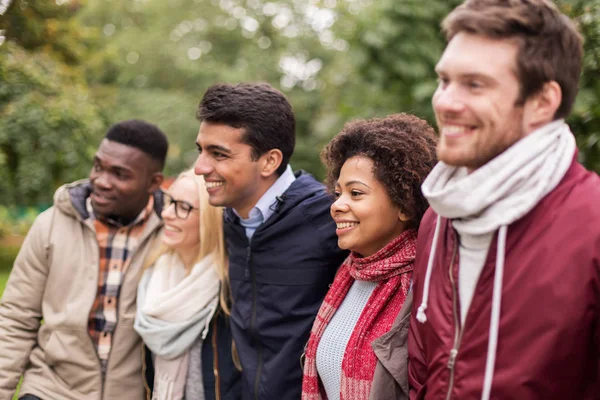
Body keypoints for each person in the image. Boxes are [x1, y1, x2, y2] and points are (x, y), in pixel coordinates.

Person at [408, 1, 600, 399]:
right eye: (444, 80)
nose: (444, 102)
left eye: (474, 84)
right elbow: (421, 370)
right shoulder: (437, 218)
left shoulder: (593, 224)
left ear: (542, 103)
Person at [193, 82, 348, 400]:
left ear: (269, 161)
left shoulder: (329, 217)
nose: (200, 168)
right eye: (201, 150)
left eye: (218, 154)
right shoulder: (229, 221)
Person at [0, 120, 168, 400]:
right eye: (98, 166)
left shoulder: (173, 234)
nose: (101, 181)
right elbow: (16, 318)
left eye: (120, 174)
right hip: (49, 390)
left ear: (153, 183)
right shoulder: (50, 225)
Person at [301, 114, 437, 400]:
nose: (337, 205)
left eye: (356, 193)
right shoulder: (347, 275)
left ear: (405, 205)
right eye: (338, 193)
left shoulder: (426, 286)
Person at [135, 168, 241, 400]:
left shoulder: (230, 290)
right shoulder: (152, 276)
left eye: (183, 207)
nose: (167, 214)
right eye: (169, 202)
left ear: (209, 220)